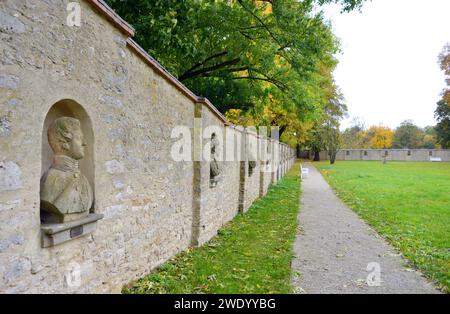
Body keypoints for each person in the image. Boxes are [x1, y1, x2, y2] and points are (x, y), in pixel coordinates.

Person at [40, 117, 93, 223]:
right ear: (64, 142)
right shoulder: (50, 179)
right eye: (79, 138)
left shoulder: (84, 179)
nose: (84, 143)